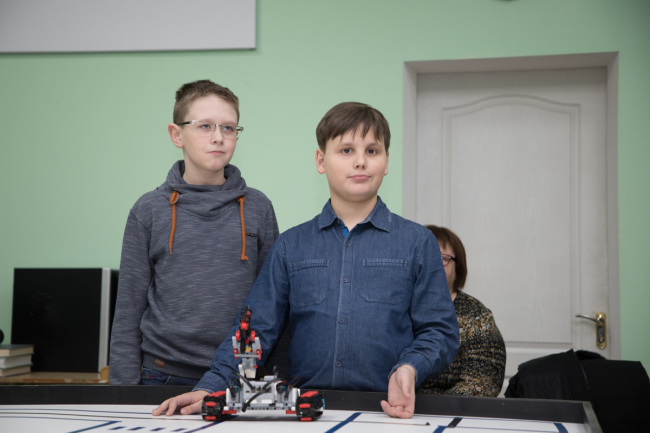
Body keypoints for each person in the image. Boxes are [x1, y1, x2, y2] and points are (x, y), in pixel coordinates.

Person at [152, 102, 459, 419]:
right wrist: (213, 385)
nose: (360, 161)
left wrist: (410, 367)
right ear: (321, 160)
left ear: (386, 162)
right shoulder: (291, 246)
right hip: (306, 412)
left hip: (386, 411)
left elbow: (440, 331)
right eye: (346, 150)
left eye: (372, 151)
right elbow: (255, 329)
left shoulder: (417, 242)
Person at [109, 80, 279, 386]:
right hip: (161, 375)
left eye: (229, 128)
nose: (218, 137)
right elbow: (128, 309)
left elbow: (272, 303)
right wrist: (123, 394)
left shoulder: (259, 207)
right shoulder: (148, 210)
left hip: (238, 376)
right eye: (205, 126)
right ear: (177, 135)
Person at [419, 225, 506, 397]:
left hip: (446, 410)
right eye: (423, 256)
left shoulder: (476, 316)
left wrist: (428, 406)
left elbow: (483, 383)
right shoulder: (391, 307)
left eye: (442, 258)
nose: (431, 264)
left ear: (458, 267)